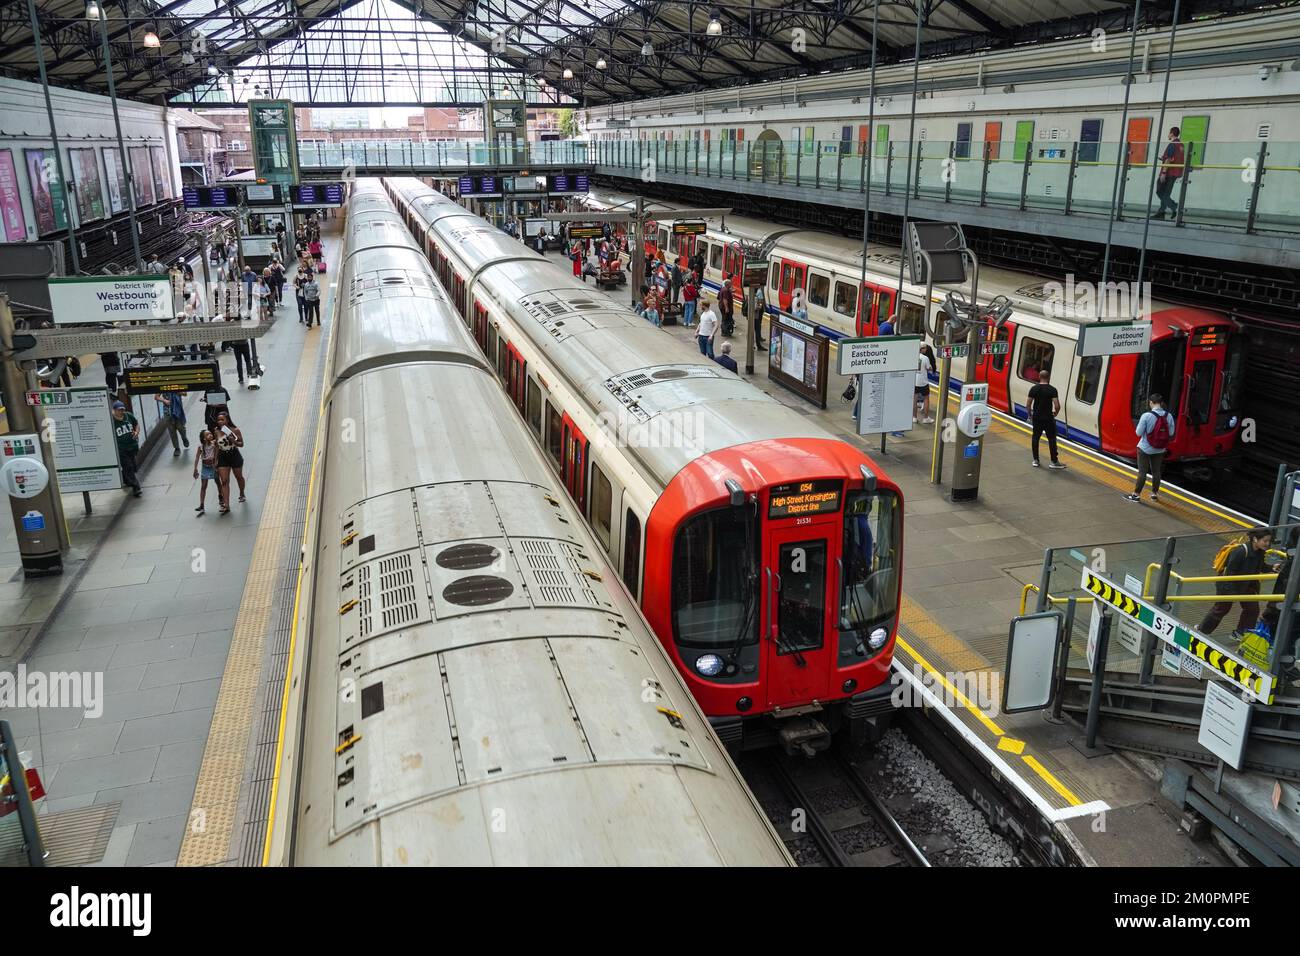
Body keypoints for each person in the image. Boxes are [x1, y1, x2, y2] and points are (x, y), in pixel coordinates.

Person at [1199, 528, 1274, 637]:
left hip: (1246, 586)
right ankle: (1202, 632)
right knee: (1221, 610)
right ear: (1255, 539)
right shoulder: (1240, 551)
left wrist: (1272, 567)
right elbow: (1229, 573)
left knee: (1252, 609)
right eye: (1265, 541)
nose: (1268, 544)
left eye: (1269, 541)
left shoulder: (1260, 552)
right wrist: (1232, 593)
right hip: (1229, 586)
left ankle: (1241, 633)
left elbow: (1261, 567)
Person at [1125, 393, 1175, 502]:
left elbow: (1138, 433)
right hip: (1160, 449)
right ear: (1161, 403)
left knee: (1142, 472)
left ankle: (1136, 495)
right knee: (1156, 471)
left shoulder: (1146, 416)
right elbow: (1171, 433)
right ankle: (1154, 494)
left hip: (1145, 448)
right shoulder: (1169, 416)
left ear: (1151, 403)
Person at [1026, 369, 1065, 468]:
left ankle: (1036, 460)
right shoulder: (1052, 389)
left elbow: (1028, 404)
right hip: (1048, 418)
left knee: (1035, 438)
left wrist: (1030, 415)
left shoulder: (1033, 389)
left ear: (1039, 377)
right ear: (1048, 378)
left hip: (1037, 418)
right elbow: (1057, 405)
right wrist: (1055, 414)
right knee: (1052, 439)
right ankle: (1054, 461)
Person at [213, 411, 246, 513]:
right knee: (225, 481)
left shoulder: (235, 430)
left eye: (222, 419)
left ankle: (241, 493)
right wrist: (215, 459)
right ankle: (226, 505)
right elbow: (217, 446)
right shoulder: (217, 432)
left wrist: (234, 441)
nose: (220, 422)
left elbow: (241, 444)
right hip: (223, 456)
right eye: (218, 420)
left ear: (227, 420)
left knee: (238, 477)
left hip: (234, 455)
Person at [1153, 126, 1185, 221]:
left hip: (1168, 173)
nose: (1168, 134)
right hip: (1176, 172)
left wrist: (1163, 173)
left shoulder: (1172, 144)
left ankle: (1175, 207)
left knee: (1159, 192)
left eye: (1169, 133)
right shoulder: (1181, 145)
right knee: (1166, 194)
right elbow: (1175, 158)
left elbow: (1168, 159)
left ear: (1171, 133)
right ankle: (1161, 212)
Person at [111, 401, 142, 498]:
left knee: (133, 466)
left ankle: (125, 479)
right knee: (128, 466)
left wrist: (136, 432)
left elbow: (136, 424)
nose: (121, 412)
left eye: (122, 409)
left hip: (132, 446)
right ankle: (136, 487)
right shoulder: (112, 421)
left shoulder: (128, 415)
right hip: (121, 449)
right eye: (119, 410)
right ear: (114, 410)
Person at [156, 391, 190, 458]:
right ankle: (177, 448)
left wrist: (178, 392)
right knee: (172, 431)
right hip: (168, 411)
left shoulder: (176, 384)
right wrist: (164, 400)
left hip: (178, 410)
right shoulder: (163, 385)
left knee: (181, 428)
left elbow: (185, 393)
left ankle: (184, 438)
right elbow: (156, 397)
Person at [193, 430, 218, 516]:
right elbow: (197, 458)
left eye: (211, 434)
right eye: (208, 435)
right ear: (204, 438)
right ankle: (202, 505)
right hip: (205, 468)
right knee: (203, 486)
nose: (210, 435)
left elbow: (218, 438)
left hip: (213, 467)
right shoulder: (200, 447)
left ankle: (221, 498)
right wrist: (195, 469)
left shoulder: (214, 444)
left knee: (218, 483)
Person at [915, 344, 936, 425]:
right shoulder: (925, 358)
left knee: (914, 399)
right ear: (922, 349)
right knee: (926, 399)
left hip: (915, 381)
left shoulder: (913, 355)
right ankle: (926, 418)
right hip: (923, 382)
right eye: (925, 348)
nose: (926, 350)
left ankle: (914, 417)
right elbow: (929, 368)